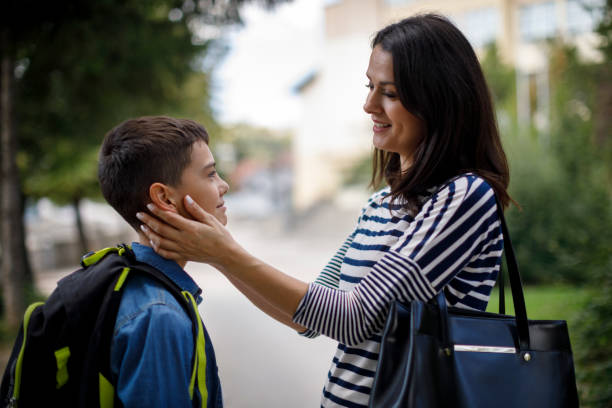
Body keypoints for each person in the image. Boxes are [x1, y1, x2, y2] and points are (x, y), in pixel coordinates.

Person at [137, 14, 512, 408]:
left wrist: (225, 253)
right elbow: (309, 318)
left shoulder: (465, 197)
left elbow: (354, 319)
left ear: (439, 99)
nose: (369, 105)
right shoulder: (380, 204)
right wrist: (218, 256)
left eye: (390, 93)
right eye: (370, 87)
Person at [98, 116, 227, 407]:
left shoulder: (130, 282)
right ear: (164, 198)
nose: (224, 185)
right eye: (210, 174)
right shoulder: (159, 316)